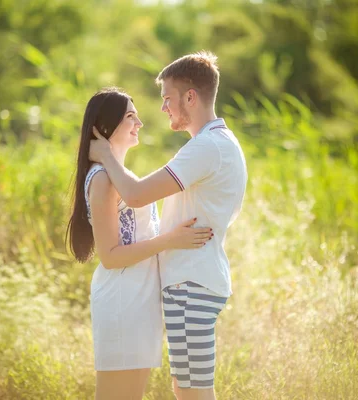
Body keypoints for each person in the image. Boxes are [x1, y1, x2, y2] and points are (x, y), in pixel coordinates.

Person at [89, 52, 248, 400]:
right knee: (185, 389)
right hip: (189, 283)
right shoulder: (215, 144)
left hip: (193, 283)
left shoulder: (208, 146)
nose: (162, 109)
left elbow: (136, 194)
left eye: (167, 99)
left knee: (195, 392)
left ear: (190, 97)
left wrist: (104, 157)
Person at [66, 87, 214, 400]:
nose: (140, 122)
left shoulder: (118, 175)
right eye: (130, 116)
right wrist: (171, 240)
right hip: (123, 296)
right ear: (105, 128)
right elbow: (110, 256)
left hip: (138, 296)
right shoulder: (103, 179)